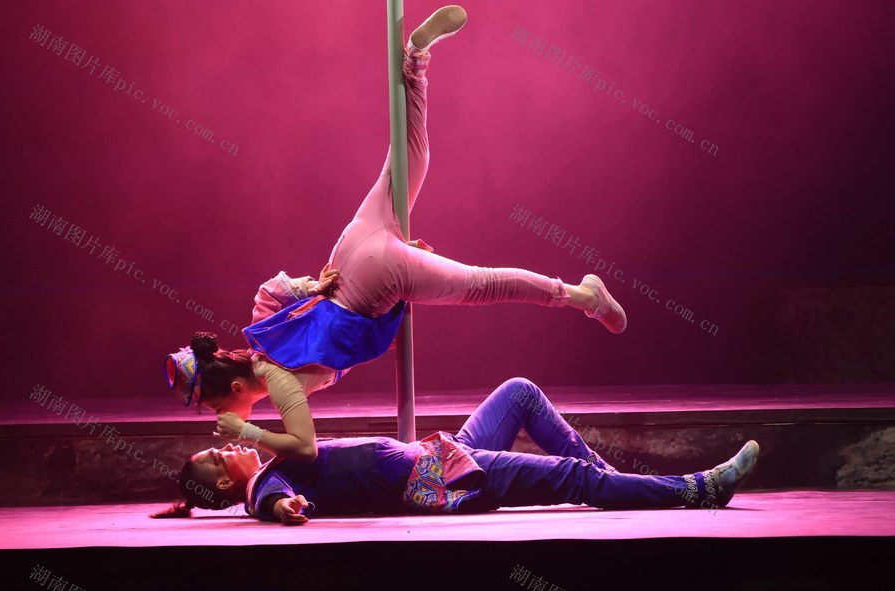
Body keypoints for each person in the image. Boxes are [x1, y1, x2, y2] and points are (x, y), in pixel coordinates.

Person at [163, 5, 627, 463]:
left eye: (218, 408)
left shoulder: (279, 381)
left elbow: (304, 448)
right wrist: (311, 285)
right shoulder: (261, 328)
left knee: (483, 284)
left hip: (371, 282)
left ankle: (584, 295)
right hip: (350, 250)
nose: (220, 420)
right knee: (409, 159)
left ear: (236, 388)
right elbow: (270, 289)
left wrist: (247, 430)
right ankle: (417, 62)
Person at [150, 378, 760, 523]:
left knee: (519, 394)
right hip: (439, 479)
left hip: (439, 453)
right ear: (225, 484)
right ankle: (696, 490)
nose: (226, 449)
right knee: (570, 478)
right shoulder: (264, 487)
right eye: (217, 458)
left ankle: (619, 484)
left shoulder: (275, 460)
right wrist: (285, 510)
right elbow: (276, 505)